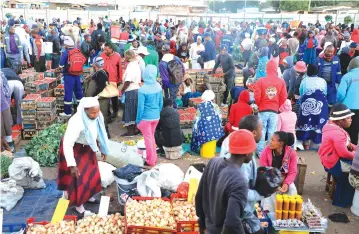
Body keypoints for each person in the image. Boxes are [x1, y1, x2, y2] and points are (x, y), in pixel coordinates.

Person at [196, 129, 257, 234]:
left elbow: (199, 197)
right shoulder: (239, 181)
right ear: (247, 153)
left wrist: (202, 225)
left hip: (209, 229)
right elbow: (232, 223)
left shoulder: (213, 162)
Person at [57, 97, 109, 217]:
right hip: (75, 149)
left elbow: (100, 131)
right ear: (85, 110)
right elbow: (67, 144)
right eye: (93, 113)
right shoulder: (77, 121)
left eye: (97, 111)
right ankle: (78, 206)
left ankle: (89, 195)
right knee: (78, 178)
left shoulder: (97, 115)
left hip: (88, 148)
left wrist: (103, 148)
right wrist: (72, 165)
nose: (96, 115)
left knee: (92, 173)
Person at [319, 103, 356, 208]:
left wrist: (356, 149)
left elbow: (348, 144)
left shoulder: (333, 127)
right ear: (340, 120)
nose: (351, 119)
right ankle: (341, 201)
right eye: (348, 118)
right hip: (333, 163)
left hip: (329, 158)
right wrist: (355, 156)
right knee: (354, 172)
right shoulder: (337, 133)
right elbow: (343, 153)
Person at [255, 59, 288, 156]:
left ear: (267, 69)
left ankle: (260, 152)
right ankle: (270, 151)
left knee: (261, 130)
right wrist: (277, 105)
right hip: (274, 110)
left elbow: (257, 96)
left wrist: (260, 104)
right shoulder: (281, 81)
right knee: (272, 131)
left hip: (263, 109)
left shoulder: (261, 80)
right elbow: (284, 96)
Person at [260, 131, 298, 212]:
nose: (269, 142)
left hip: (285, 179)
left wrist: (286, 183)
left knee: (292, 189)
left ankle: (288, 213)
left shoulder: (291, 153)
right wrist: (274, 184)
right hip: (269, 179)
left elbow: (293, 172)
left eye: (273, 140)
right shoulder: (265, 152)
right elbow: (263, 171)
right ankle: (269, 214)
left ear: (281, 143)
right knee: (269, 192)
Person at [136, 65, 163, 166]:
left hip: (146, 118)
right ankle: (153, 157)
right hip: (156, 117)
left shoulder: (142, 90)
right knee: (151, 137)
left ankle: (150, 160)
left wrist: (138, 120)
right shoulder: (158, 87)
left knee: (148, 138)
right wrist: (157, 112)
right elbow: (161, 103)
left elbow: (140, 107)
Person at [297, 64, 328, 148]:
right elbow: (325, 93)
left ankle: (306, 143)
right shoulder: (322, 80)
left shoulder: (305, 80)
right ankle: (316, 142)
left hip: (307, 103)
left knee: (306, 121)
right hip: (321, 104)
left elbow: (301, 92)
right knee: (318, 121)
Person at [84, 57, 110, 138]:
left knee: (99, 117)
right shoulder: (104, 72)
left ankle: (103, 135)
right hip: (103, 99)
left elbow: (97, 88)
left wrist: (93, 96)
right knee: (103, 116)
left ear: (95, 65)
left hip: (99, 100)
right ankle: (105, 134)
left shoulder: (99, 74)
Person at [58, 36, 83, 117]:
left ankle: (67, 112)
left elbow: (61, 65)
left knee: (68, 93)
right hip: (78, 75)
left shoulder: (66, 53)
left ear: (65, 45)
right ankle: (81, 110)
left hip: (69, 75)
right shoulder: (78, 51)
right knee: (79, 92)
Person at [337, 57, 359, 145]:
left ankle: (348, 151)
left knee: (348, 130)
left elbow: (341, 93)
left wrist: (339, 103)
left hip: (348, 109)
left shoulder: (347, 76)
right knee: (356, 130)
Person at [120, 50, 141, 136]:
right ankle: (135, 129)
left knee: (130, 110)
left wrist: (122, 89)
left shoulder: (131, 66)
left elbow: (128, 81)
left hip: (131, 90)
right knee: (135, 109)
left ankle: (130, 131)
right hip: (136, 89)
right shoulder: (136, 65)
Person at [100, 42, 123, 119]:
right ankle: (107, 113)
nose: (105, 51)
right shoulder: (102, 55)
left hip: (114, 80)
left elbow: (120, 69)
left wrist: (120, 79)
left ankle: (115, 111)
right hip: (104, 80)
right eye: (104, 49)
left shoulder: (117, 56)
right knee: (106, 97)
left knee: (114, 97)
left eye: (107, 50)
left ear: (111, 49)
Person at [159, 44, 185, 109]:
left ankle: (172, 114)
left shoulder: (162, 63)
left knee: (169, 102)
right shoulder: (176, 58)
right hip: (177, 81)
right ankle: (175, 111)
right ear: (169, 50)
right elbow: (183, 69)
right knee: (174, 99)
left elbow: (165, 79)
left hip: (169, 85)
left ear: (162, 51)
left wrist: (164, 87)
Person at [0, 72, 13, 152]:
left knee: (6, 126)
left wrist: (8, 99)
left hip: (4, 103)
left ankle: (8, 147)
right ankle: (8, 148)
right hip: (4, 102)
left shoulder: (1, 75)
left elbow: (6, 90)